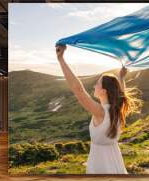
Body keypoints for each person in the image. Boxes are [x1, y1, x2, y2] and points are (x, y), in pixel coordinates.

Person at [55, 44, 141, 174]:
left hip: (100, 163)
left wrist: (61, 59)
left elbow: (78, 90)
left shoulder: (101, 112)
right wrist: (121, 78)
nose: (94, 85)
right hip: (115, 160)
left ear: (104, 91)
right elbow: (121, 94)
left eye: (98, 83)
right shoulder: (116, 109)